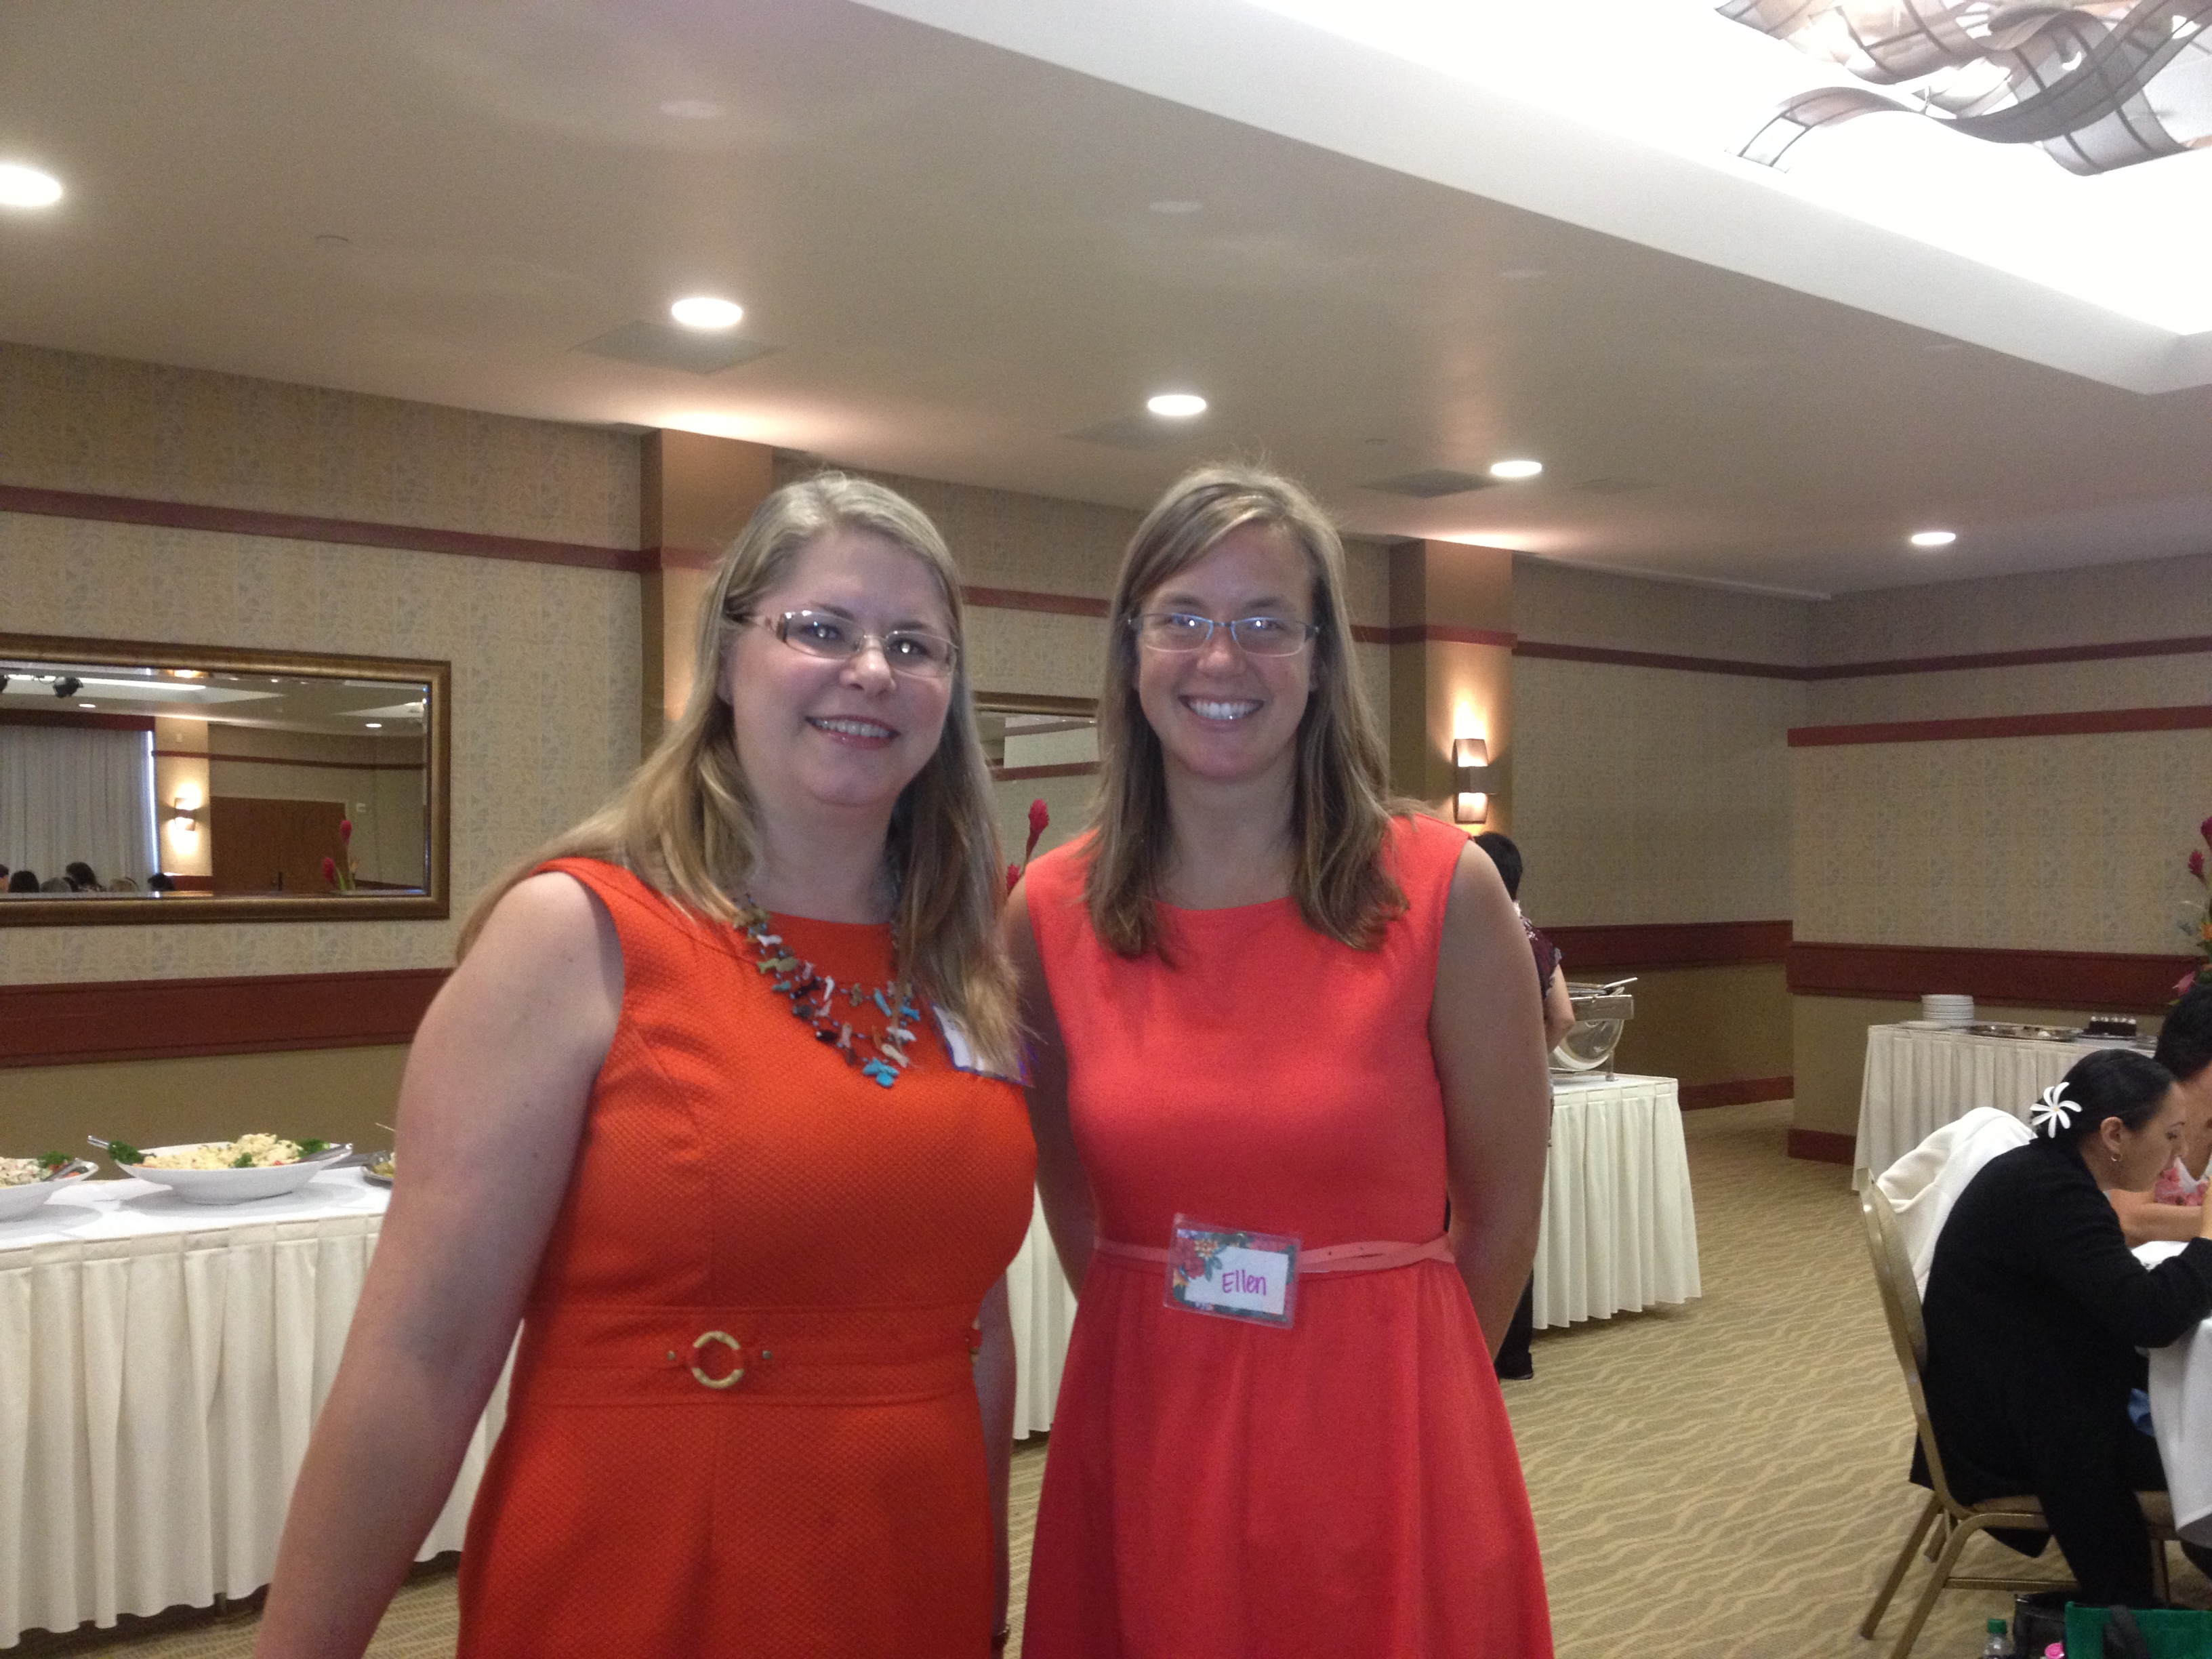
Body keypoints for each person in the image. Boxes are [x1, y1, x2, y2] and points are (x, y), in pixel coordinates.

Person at [253, 474, 1036, 1659]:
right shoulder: (574, 935)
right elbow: (418, 1360)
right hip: (653, 1571)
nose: (871, 670)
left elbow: (974, 1320)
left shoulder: (962, 962)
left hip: (905, 1567)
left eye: (913, 645)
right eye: (821, 628)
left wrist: (982, 1597)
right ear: (725, 659)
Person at [1012, 464, 1555, 1656]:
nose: (1222, 657)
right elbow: (1071, 1197)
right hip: (1151, 1413)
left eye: (1266, 622)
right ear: (1131, 649)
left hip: (1384, 1424)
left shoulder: (1439, 887)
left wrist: (1403, 1389)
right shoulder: (1048, 911)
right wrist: (1175, 1335)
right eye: (1183, 618)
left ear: (1319, 659)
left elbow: (1503, 1207)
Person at [1920, 1047, 2212, 1606]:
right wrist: (2208, 1235)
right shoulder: (2051, 1196)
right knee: (2203, 1448)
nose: (2178, 1155)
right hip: (2010, 1435)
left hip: (2023, 1398)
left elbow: (2125, 1300)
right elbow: (2151, 1317)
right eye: (2172, 1136)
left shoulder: (2047, 1176)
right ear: (2114, 1134)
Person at [1473, 830, 1574, 1381]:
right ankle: (1516, 1353)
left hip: (1479, 1093)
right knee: (1516, 1214)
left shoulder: (1479, 934)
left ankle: (1476, 1350)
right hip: (1534, 1096)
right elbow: (1564, 1016)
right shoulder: (1535, 937)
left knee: (1470, 1216)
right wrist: (1532, 1063)